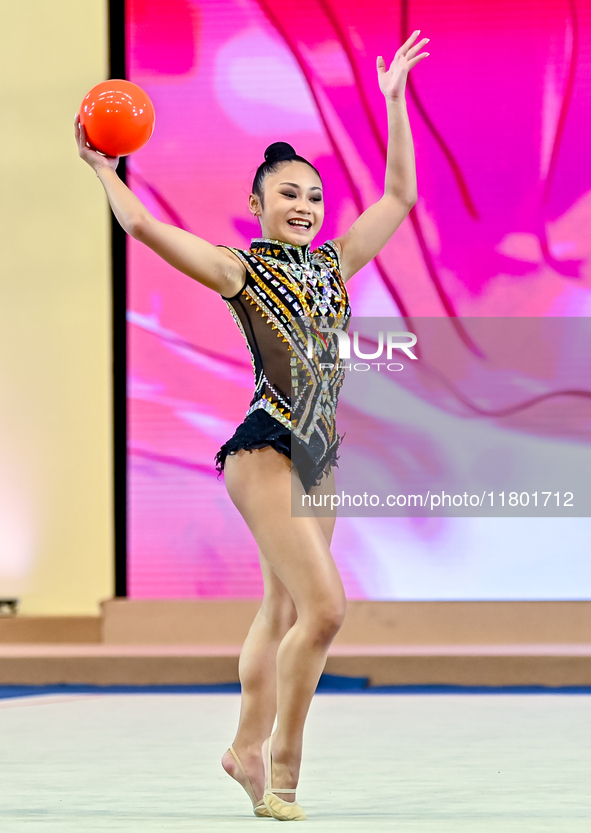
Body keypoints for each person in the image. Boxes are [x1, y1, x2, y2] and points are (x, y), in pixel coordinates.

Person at [75, 30, 429, 821]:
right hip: (266, 445)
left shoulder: (334, 264)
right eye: (287, 193)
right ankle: (284, 769)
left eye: (312, 194)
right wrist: (106, 171)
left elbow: (400, 198)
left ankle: (241, 748)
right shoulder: (241, 268)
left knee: (280, 612)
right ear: (258, 204)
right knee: (326, 610)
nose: (303, 205)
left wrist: (396, 102)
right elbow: (141, 232)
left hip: (319, 453)